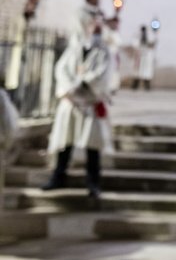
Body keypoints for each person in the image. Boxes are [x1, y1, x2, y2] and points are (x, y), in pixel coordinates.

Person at [42, 11, 111, 198]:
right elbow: (61, 70)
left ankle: (93, 182)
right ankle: (58, 176)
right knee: (65, 143)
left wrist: (83, 83)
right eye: (92, 24)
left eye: (98, 25)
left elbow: (102, 75)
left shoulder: (103, 51)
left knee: (92, 146)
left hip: (89, 103)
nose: (95, 28)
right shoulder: (74, 48)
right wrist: (70, 88)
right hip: (72, 102)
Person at [132, 25, 156, 90]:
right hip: (140, 53)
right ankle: (135, 85)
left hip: (147, 54)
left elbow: (153, 44)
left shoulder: (150, 36)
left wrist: (150, 44)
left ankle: (147, 85)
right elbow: (135, 44)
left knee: (147, 71)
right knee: (137, 71)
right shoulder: (137, 35)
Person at [103, 16, 122, 95]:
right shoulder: (105, 31)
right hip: (105, 55)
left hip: (113, 55)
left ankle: (113, 87)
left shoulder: (115, 33)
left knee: (114, 72)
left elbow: (119, 43)